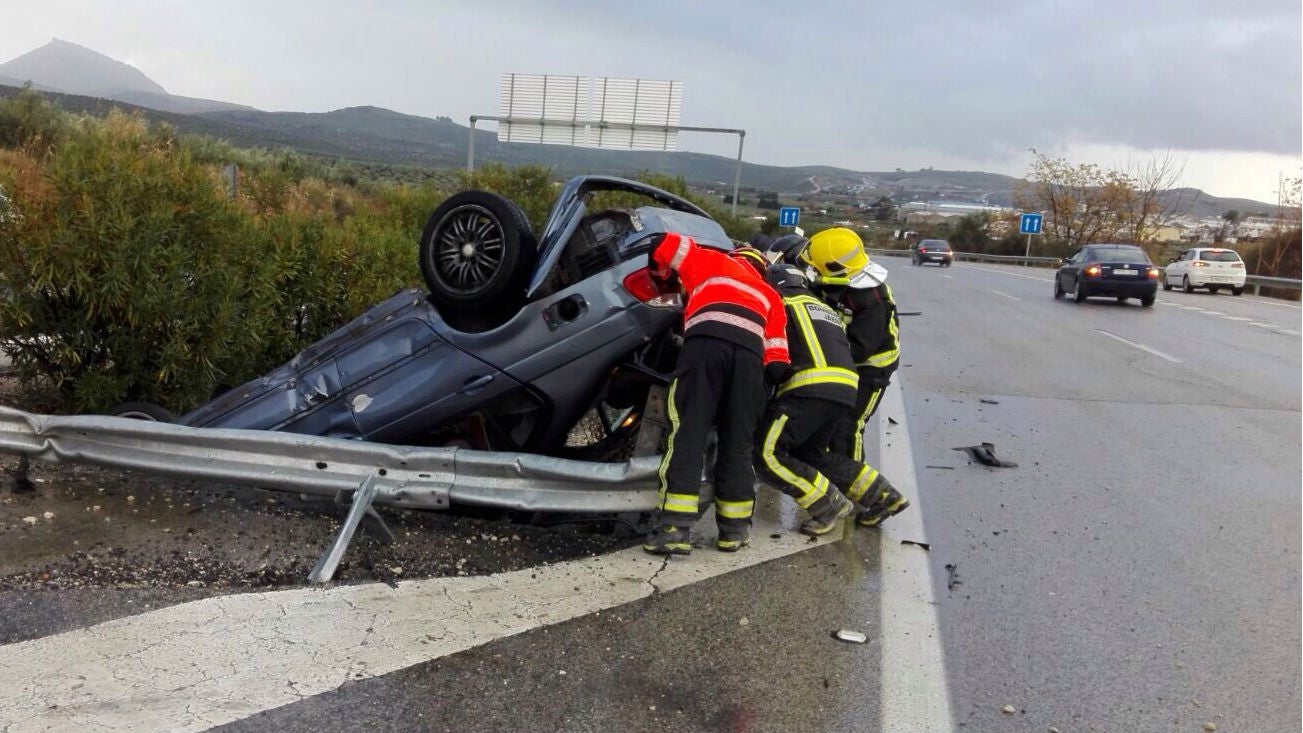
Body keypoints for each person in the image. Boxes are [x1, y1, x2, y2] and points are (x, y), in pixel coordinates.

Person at [642, 232, 790, 555]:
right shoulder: (770, 296)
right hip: (750, 362)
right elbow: (778, 363)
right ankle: (734, 532)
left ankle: (673, 530)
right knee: (738, 443)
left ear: (736, 256)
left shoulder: (710, 260)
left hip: (706, 346)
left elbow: (661, 243)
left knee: (689, 433)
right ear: (761, 270)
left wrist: (663, 278)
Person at [753, 263, 894, 536]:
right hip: (846, 388)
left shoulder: (776, 303)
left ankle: (827, 505)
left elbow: (772, 357)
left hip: (808, 388)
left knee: (765, 453)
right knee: (814, 454)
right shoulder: (824, 307)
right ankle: (883, 497)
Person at [800, 227, 909, 527]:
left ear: (837, 267)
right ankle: (846, 483)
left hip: (871, 372)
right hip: (847, 367)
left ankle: (866, 495)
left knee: (848, 430)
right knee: (832, 430)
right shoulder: (844, 283)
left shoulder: (872, 298)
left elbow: (860, 347)